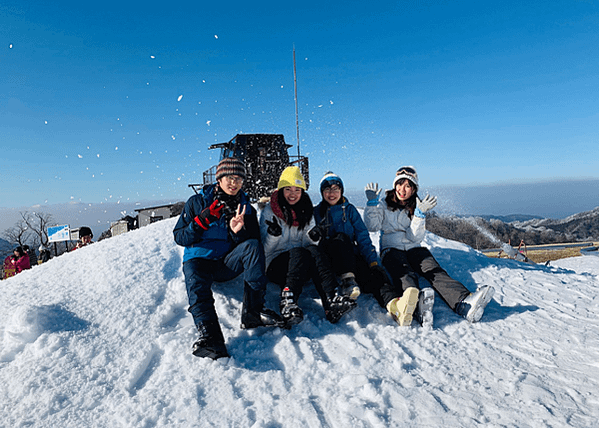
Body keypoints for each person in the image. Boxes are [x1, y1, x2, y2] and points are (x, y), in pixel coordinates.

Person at [173, 157, 284, 360]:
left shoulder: (245, 208)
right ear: (219, 178)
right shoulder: (197, 202)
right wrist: (202, 220)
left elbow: (252, 244)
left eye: (239, 179)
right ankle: (211, 337)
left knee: (252, 246)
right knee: (196, 283)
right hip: (199, 260)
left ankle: (253, 311)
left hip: (225, 263)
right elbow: (179, 236)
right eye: (230, 178)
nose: (234, 183)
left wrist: (236, 232)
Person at [364, 166, 495, 325]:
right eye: (400, 184)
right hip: (391, 249)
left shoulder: (417, 206)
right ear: (394, 184)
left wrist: (419, 215)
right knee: (404, 272)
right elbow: (373, 226)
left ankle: (463, 303)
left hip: (414, 248)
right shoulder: (384, 204)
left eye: (408, 186)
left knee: (434, 271)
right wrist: (371, 205)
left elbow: (415, 236)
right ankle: (412, 303)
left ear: (414, 189)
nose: (402, 189)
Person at [260, 166, 356, 326]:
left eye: (297, 190)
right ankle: (288, 302)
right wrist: (273, 235)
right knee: (298, 252)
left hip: (300, 264)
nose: (293, 194)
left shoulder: (306, 210)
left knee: (314, 250)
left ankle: (331, 301)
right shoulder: (270, 211)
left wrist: (314, 237)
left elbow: (308, 246)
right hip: (275, 266)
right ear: (281, 189)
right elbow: (264, 251)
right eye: (288, 189)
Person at [313, 172, 395, 308]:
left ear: (341, 191)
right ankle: (347, 282)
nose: (331, 193)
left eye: (335, 189)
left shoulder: (349, 210)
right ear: (322, 192)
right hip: (328, 260)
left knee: (373, 277)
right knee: (340, 238)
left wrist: (372, 261)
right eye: (327, 189)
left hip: (350, 256)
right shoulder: (316, 212)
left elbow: (362, 236)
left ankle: (393, 303)